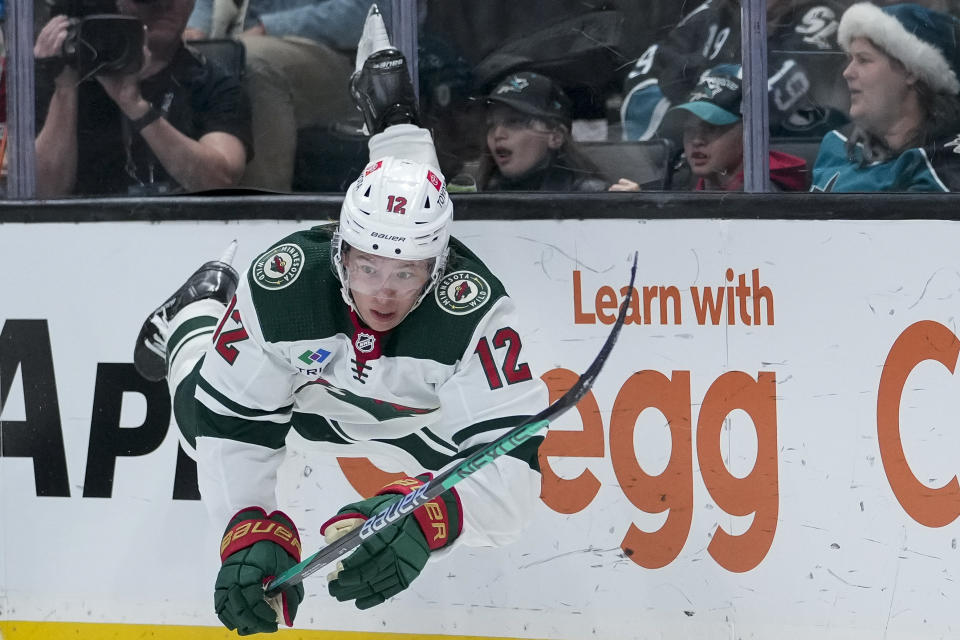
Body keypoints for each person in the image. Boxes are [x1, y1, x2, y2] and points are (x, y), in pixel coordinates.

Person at [132, 7, 548, 634]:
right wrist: (247, 529)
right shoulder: (289, 282)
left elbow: (513, 484)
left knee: (460, 477)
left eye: (407, 273)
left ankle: (392, 116)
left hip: (408, 415)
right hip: (306, 395)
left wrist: (426, 519)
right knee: (195, 424)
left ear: (435, 270)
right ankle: (196, 310)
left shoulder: (471, 306)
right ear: (340, 250)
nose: (383, 292)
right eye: (367, 267)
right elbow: (229, 429)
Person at [33, 0, 252, 197]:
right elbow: (42, 192)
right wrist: (65, 89)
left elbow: (221, 183)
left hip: (182, 229)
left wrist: (136, 106)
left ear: (193, 4)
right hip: (84, 230)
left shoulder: (212, 83)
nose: (164, 5)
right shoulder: (63, 76)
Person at [183, 0, 375, 192]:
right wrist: (193, 27)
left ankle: (257, 212)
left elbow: (367, 12)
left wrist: (267, 28)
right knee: (171, 51)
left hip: (345, 58)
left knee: (250, 61)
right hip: (236, 42)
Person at [619, 0, 850, 143]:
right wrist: (714, 77)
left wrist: (690, 79)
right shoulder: (712, 11)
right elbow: (639, 87)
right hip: (696, 157)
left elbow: (761, 101)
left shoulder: (821, 16)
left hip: (781, 165)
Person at [811, 2, 960, 191]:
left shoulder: (943, 166)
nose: (847, 72)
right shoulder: (836, 145)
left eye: (863, 60)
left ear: (910, 71)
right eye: (850, 59)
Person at [477, 71, 609, 192]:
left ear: (556, 137)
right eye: (491, 125)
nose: (498, 134)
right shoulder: (479, 196)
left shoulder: (590, 198)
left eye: (514, 122)